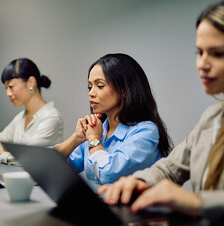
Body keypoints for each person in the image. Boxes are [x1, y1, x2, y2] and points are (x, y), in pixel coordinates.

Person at [98, 0, 224, 224]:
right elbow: (170, 168)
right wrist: (140, 182)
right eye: (200, 52)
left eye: (218, 53)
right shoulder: (212, 117)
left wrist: (198, 202)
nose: (202, 64)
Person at [54, 53, 172, 184]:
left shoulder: (146, 132)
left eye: (99, 86)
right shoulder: (98, 130)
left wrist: (94, 141)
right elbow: (49, 169)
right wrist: (76, 139)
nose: (91, 93)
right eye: (89, 86)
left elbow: (110, 174)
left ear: (124, 90)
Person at [0, 58, 63, 163]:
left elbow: (29, 157)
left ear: (31, 82)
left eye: (11, 86)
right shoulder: (20, 118)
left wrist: (0, 154)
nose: (8, 93)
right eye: (6, 88)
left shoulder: (51, 117)